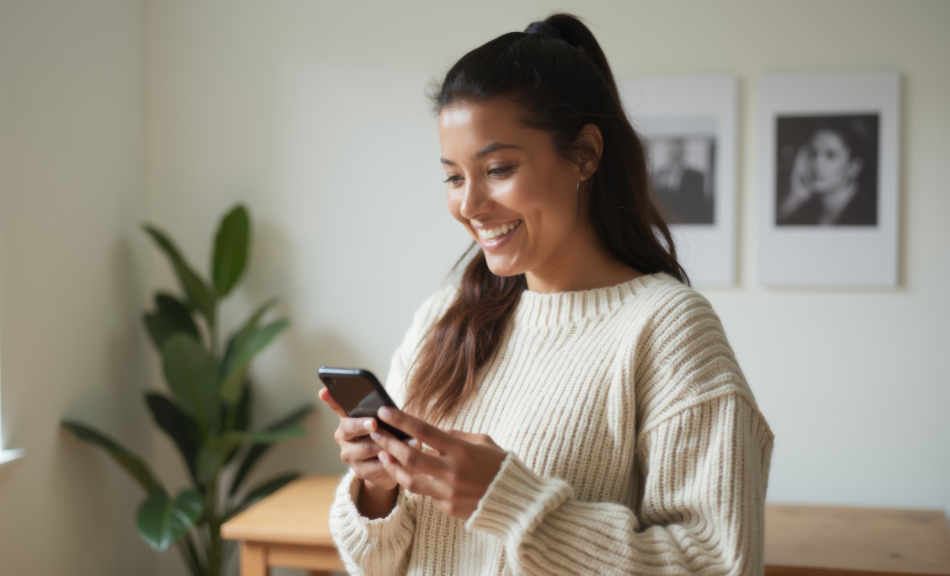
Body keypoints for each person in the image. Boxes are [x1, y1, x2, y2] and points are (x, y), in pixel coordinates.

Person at [320, 13, 774, 576]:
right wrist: (377, 487)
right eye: (455, 177)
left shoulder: (666, 328)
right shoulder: (443, 320)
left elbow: (720, 563)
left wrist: (511, 503)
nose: (469, 205)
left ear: (584, 155)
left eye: (498, 168)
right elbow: (378, 564)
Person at [776, 121, 876, 226]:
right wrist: (795, 198)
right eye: (813, 153)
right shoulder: (809, 208)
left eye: (830, 155)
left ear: (854, 167)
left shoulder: (869, 216)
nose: (816, 163)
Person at [653, 138, 713, 224]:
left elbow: (699, 206)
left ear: (683, 152)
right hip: (664, 221)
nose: (675, 154)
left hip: (688, 222)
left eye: (678, 151)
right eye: (673, 151)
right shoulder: (657, 174)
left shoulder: (696, 176)